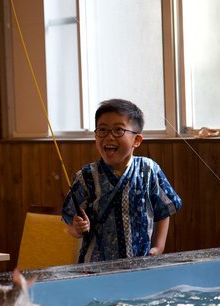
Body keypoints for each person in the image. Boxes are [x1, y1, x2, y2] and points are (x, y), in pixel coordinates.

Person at [62, 99, 182, 263]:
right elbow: (70, 220)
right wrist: (77, 229)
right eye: (102, 129)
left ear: (137, 140)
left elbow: (164, 210)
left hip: (140, 265)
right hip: (94, 269)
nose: (109, 137)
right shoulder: (86, 176)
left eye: (118, 130)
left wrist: (158, 247)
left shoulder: (149, 170)